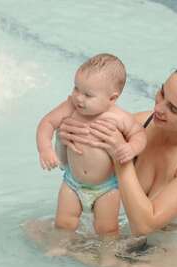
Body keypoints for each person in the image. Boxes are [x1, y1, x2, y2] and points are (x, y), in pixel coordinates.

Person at [57, 65, 177, 267]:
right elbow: (83, 166)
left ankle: (110, 265)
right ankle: (108, 263)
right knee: (39, 231)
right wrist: (66, 135)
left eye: (174, 109)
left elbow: (144, 225)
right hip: (132, 231)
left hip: (176, 244)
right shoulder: (143, 123)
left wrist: (121, 158)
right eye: (163, 93)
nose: (159, 108)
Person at [36, 53, 146, 236]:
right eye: (76, 88)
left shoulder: (119, 117)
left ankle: (108, 255)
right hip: (73, 182)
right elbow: (47, 123)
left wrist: (131, 148)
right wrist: (45, 149)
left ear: (112, 98)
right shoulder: (70, 106)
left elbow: (139, 134)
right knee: (64, 222)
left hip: (106, 188)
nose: (78, 98)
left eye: (88, 95)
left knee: (107, 228)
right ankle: (60, 247)